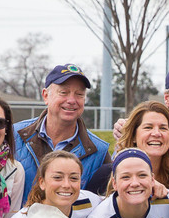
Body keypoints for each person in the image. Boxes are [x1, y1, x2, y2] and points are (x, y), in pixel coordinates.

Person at [14, 63, 110, 196]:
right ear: (46, 95)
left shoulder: (99, 152)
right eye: (64, 92)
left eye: (79, 94)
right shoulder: (14, 135)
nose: (71, 100)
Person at [87, 100, 169, 194]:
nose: (156, 133)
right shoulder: (107, 175)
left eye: (163, 128)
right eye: (148, 127)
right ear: (133, 136)